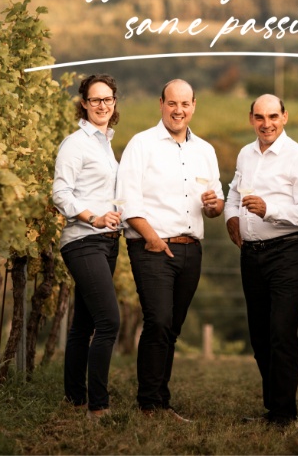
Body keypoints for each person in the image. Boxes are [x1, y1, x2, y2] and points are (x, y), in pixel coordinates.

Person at [116, 79, 224, 422]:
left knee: (172, 327)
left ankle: (160, 400)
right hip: (152, 247)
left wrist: (214, 206)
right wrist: (152, 238)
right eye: (172, 103)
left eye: (185, 104)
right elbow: (126, 198)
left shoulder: (205, 150)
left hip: (191, 250)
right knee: (158, 320)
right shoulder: (141, 144)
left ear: (194, 105)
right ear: (161, 103)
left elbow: (217, 204)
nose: (179, 110)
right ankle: (149, 403)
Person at [225, 94, 298, 426]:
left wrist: (270, 210)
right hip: (251, 256)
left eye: (273, 116)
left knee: (280, 331)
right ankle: (274, 406)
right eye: (260, 117)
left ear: (285, 117)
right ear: (251, 118)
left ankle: (283, 412)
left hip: (289, 253)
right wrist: (230, 217)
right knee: (260, 335)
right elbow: (235, 192)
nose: (267, 124)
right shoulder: (245, 154)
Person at [52, 73, 123, 421]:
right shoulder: (75, 144)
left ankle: (74, 398)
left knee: (84, 322)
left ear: (114, 103)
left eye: (107, 99)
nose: (102, 105)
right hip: (83, 240)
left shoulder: (104, 144)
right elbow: (60, 193)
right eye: (95, 99)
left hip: (107, 243)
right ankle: (98, 405)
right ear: (84, 103)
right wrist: (93, 218)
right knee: (109, 321)